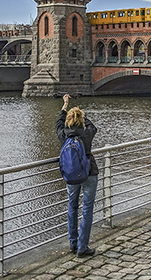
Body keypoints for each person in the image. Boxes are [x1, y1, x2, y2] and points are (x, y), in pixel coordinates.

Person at [56, 94, 99, 256]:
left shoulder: (64, 134)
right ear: (81, 120)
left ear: (68, 120)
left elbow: (58, 123)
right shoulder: (87, 133)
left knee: (72, 207)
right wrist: (82, 114)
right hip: (89, 173)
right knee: (87, 210)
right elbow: (93, 126)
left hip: (71, 174)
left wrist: (65, 105)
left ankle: (73, 244)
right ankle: (82, 248)